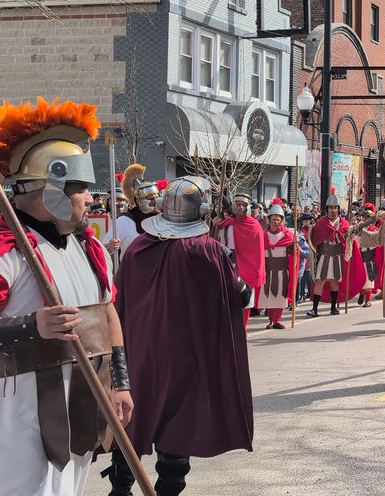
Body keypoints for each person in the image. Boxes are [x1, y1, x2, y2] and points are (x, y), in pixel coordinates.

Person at [0, 98, 132, 496]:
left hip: (81, 402)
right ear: (52, 190)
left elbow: (107, 314)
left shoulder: (89, 248)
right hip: (13, 410)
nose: (90, 199)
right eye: (81, 189)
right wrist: (31, 325)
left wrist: (120, 381)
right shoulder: (0, 249)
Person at [107, 176, 253, 496]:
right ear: (201, 210)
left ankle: (120, 489)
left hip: (140, 352)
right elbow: (240, 296)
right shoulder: (209, 250)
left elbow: (118, 297)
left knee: (133, 420)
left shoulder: (139, 247)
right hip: (186, 355)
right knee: (178, 426)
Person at [216, 190, 266, 328]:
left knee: (246, 299)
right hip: (228, 265)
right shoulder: (226, 223)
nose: (240, 207)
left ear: (248, 207)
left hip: (247, 267)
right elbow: (217, 242)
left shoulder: (254, 225)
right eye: (238, 204)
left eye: (243, 205)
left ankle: (242, 329)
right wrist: (215, 225)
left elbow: (257, 251)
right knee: (228, 299)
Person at [103, 162, 162, 258]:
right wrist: (110, 247)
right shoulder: (124, 221)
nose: (155, 201)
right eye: (150, 198)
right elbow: (103, 250)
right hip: (131, 266)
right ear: (138, 201)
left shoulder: (163, 219)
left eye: (157, 197)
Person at [307, 188, 350, 317]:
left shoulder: (344, 223)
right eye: (330, 208)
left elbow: (347, 239)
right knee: (320, 281)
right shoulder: (321, 223)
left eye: (335, 207)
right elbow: (314, 238)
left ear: (338, 209)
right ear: (327, 209)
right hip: (324, 255)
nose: (332, 210)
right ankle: (314, 309)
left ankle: (333, 307)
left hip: (337, 255)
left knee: (334, 281)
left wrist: (350, 234)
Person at [261, 198, 297, 329]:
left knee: (280, 295)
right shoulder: (263, 235)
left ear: (282, 220)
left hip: (282, 268)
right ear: (269, 220)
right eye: (273, 219)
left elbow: (292, 253)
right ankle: (271, 320)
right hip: (268, 268)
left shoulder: (287, 235)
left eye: (278, 219)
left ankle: (276, 320)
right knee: (270, 295)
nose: (275, 222)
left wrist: (295, 247)